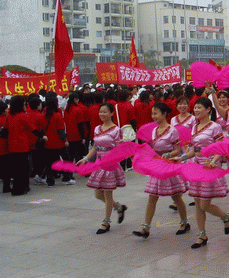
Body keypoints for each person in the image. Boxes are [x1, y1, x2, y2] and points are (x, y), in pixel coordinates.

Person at [177, 97, 229, 249]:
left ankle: (225, 217)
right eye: (195, 108)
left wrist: (214, 161)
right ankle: (202, 235)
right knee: (198, 204)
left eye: (199, 107)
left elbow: (221, 147)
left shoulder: (215, 127)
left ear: (208, 109)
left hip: (210, 165)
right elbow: (195, 150)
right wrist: (180, 157)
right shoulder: (194, 127)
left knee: (204, 204)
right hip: (197, 166)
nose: (196, 110)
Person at [133, 102, 190, 239]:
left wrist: (169, 155)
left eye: (155, 113)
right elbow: (154, 148)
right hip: (157, 166)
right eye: (152, 113)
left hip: (169, 166)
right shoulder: (154, 130)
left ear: (164, 114)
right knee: (152, 197)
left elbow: (177, 149)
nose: (153, 116)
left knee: (176, 196)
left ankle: (184, 222)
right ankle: (145, 228)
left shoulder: (172, 130)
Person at [77, 103, 128, 234]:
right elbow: (95, 147)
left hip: (110, 165)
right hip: (99, 164)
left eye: (105, 112)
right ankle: (118, 207)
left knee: (107, 193)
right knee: (98, 194)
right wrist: (86, 159)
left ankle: (106, 222)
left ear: (112, 113)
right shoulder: (97, 129)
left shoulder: (117, 130)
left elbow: (119, 149)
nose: (102, 114)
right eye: (100, 112)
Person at [3, 96, 35, 195]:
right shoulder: (23, 116)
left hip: (12, 146)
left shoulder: (10, 116)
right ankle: (22, 188)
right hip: (23, 145)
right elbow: (33, 129)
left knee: (16, 168)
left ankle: (17, 188)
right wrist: (42, 135)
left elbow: (5, 131)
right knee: (24, 168)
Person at [42, 93, 74, 186]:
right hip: (59, 143)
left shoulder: (44, 115)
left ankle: (50, 181)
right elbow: (61, 131)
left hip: (48, 143)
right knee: (66, 159)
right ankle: (66, 178)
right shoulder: (57, 115)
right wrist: (65, 140)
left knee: (49, 163)